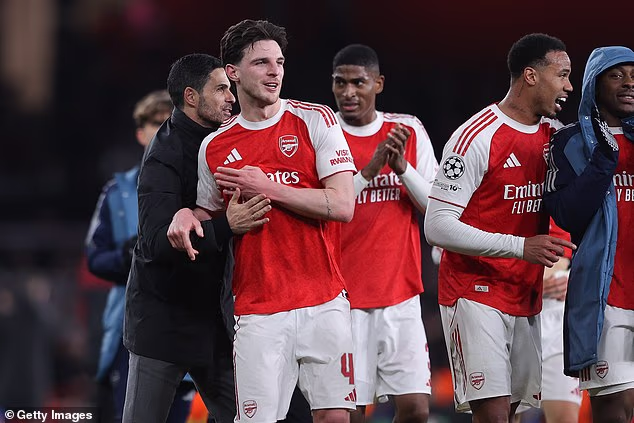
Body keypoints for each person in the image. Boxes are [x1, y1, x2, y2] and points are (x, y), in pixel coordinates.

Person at [196, 19, 357, 423]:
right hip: (258, 310)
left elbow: (343, 205)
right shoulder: (214, 146)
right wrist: (189, 216)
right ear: (232, 72)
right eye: (261, 63)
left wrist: (268, 187)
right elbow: (209, 216)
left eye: (280, 62)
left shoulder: (315, 119)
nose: (275, 72)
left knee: (335, 418)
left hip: (324, 301)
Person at [423, 33, 576, 421]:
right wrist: (521, 247)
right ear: (531, 75)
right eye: (562, 75)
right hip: (474, 290)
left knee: (512, 412)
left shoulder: (556, 137)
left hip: (525, 292)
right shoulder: (474, 137)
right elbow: (437, 226)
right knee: (492, 413)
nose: (569, 87)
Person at [122, 54, 271, 423]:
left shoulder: (227, 140)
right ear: (191, 97)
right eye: (220, 89)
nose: (231, 97)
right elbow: (157, 243)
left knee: (250, 418)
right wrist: (226, 225)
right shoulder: (164, 155)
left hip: (215, 323)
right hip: (164, 324)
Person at [330, 43, 437, 423]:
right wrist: (369, 172)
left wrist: (402, 168)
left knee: (416, 409)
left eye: (358, 82)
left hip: (400, 295)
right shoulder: (323, 132)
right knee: (352, 413)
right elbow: (325, 207)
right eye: (339, 82)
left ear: (378, 83)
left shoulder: (407, 130)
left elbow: (435, 208)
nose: (348, 92)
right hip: (343, 298)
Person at [86, 90, 200, 423]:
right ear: (140, 133)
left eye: (170, 121)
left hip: (187, 321)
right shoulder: (116, 191)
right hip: (131, 324)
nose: (164, 129)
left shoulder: (199, 183)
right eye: (156, 122)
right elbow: (95, 258)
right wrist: (131, 258)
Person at [543, 46, 634, 423]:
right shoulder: (571, 142)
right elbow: (566, 213)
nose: (629, 83)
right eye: (617, 75)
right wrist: (602, 163)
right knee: (615, 409)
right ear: (595, 84)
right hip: (605, 297)